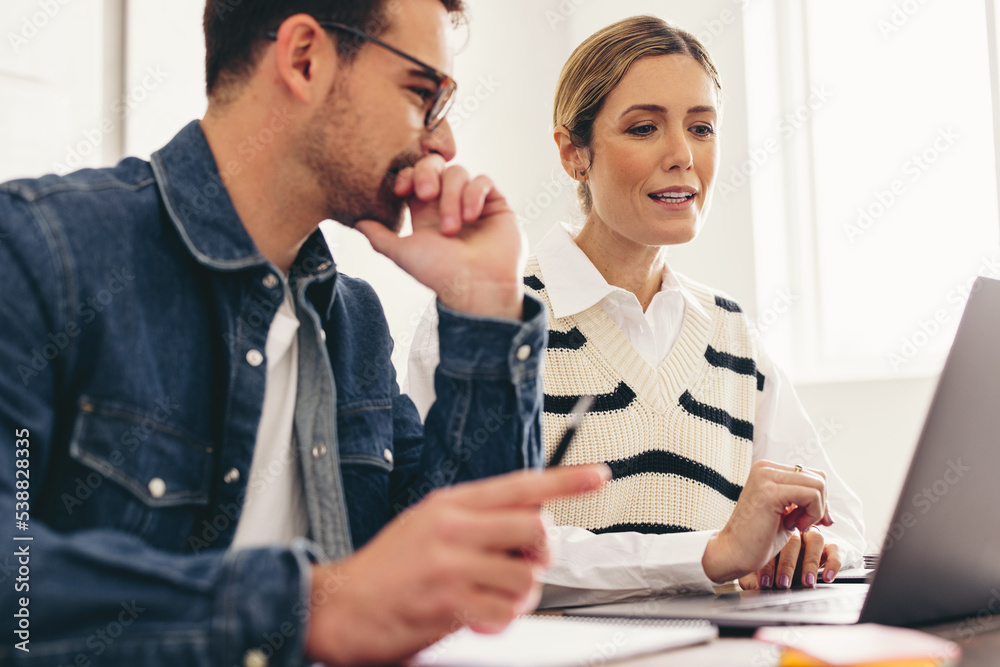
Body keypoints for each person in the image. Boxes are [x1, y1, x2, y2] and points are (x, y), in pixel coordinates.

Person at [0, 1, 613, 665]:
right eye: (422, 94)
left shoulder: (354, 324)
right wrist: (309, 605)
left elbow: (463, 582)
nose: (445, 145)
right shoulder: (39, 249)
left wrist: (487, 306)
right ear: (304, 59)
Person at [406, 15, 865, 608]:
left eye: (702, 128)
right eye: (645, 128)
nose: (682, 155)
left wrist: (807, 546)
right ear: (574, 153)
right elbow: (459, 544)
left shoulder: (734, 335)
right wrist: (711, 554)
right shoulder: (484, 318)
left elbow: (844, 522)